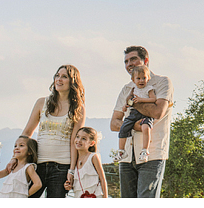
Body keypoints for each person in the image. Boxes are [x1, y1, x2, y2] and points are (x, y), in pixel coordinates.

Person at [110, 46, 174, 198]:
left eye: (133, 59)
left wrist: (134, 103)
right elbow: (113, 124)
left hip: (151, 154)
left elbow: (158, 112)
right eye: (126, 61)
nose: (129, 64)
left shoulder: (162, 83)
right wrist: (135, 126)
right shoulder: (126, 89)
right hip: (126, 155)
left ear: (146, 61)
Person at [16, 64, 86, 197]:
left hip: (62, 167)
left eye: (64, 76)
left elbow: (74, 142)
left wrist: (71, 170)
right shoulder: (42, 103)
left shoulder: (78, 108)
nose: (59, 79)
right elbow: (27, 133)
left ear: (73, 82)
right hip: (37, 165)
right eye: (57, 76)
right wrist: (16, 158)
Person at [115, 64, 157, 162]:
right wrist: (126, 105)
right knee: (124, 127)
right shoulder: (133, 89)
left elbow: (153, 99)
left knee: (146, 127)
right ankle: (121, 150)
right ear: (133, 80)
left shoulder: (149, 89)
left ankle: (145, 150)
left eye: (144, 78)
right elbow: (129, 99)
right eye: (138, 78)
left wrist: (141, 100)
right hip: (134, 112)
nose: (141, 81)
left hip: (145, 113)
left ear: (148, 78)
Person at [64, 127, 108, 198]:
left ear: (91, 143)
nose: (79, 140)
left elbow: (102, 179)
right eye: (77, 137)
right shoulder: (74, 161)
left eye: (84, 138)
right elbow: (76, 184)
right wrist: (68, 186)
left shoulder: (93, 157)